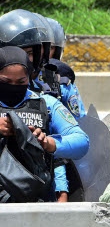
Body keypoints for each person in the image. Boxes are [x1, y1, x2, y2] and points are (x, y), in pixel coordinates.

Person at [0, 46, 89, 202]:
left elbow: (81, 142)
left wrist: (49, 143)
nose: (13, 86)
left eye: (21, 81)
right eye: (5, 82)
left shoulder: (45, 103)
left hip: (36, 196)